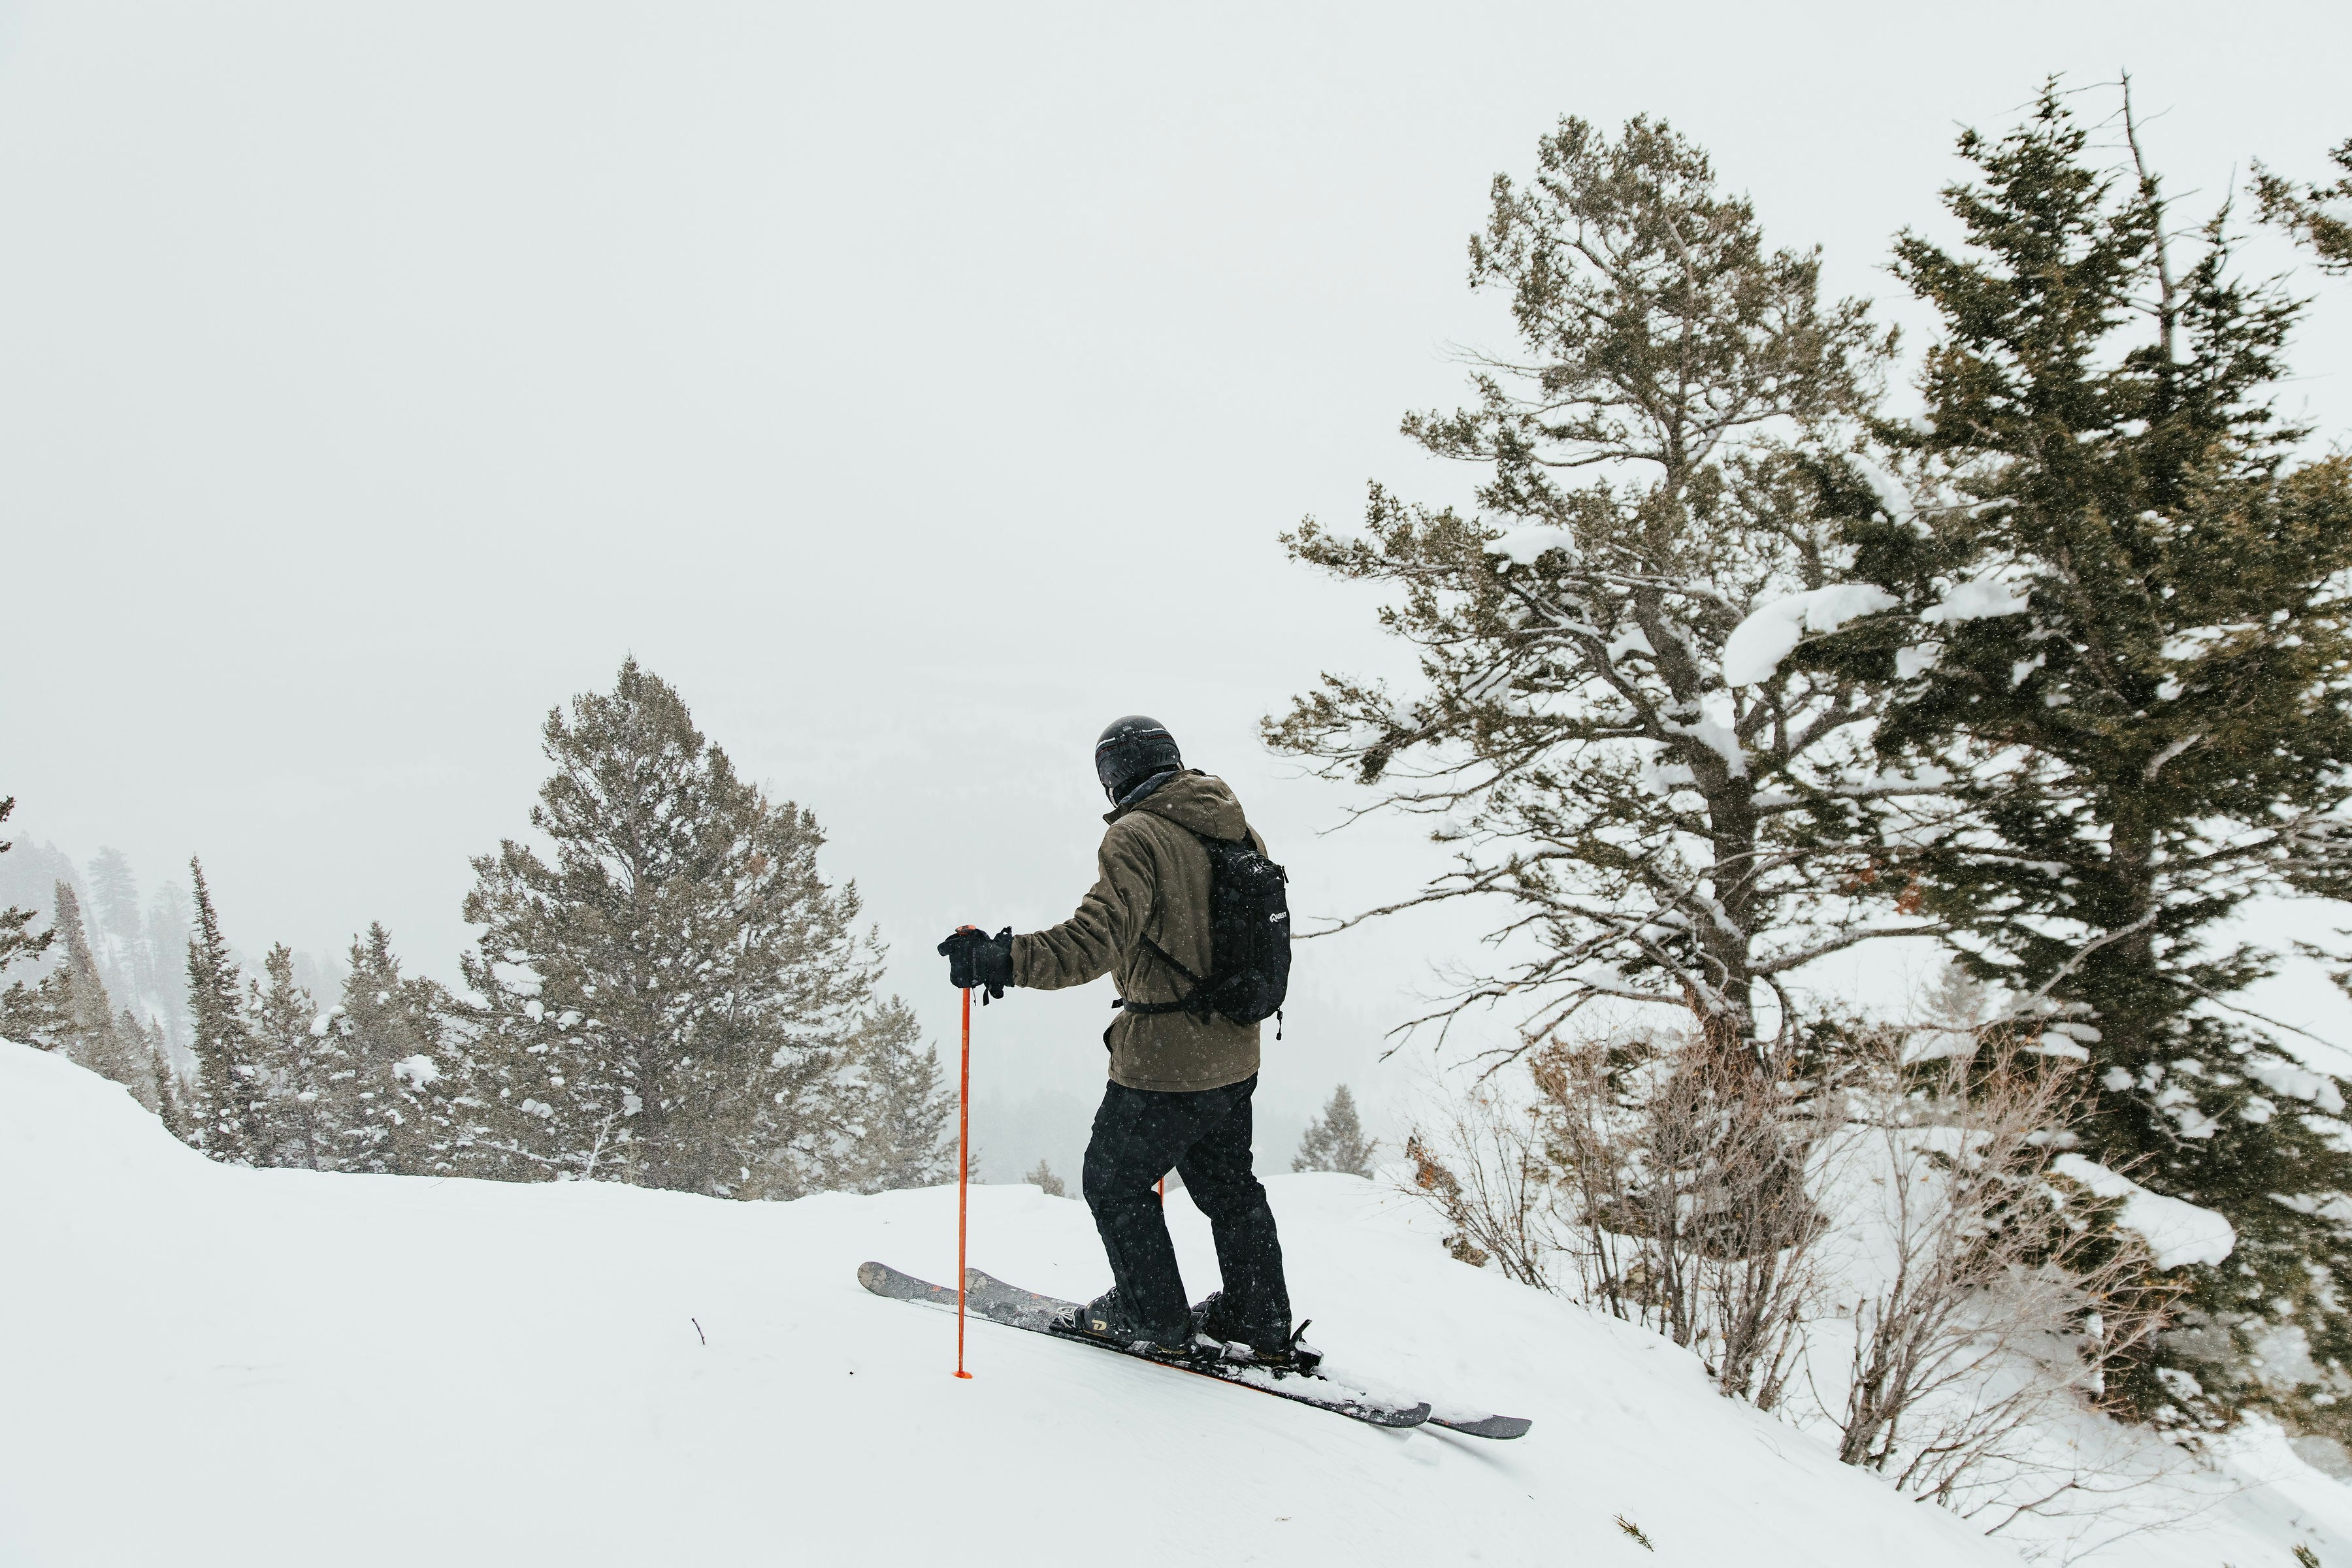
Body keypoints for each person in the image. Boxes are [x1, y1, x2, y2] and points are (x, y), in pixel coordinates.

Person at [937, 715, 1311, 1369]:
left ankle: (1151, 1313)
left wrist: (1002, 960)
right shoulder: (1228, 819)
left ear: (1113, 776)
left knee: (1112, 1182)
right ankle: (1260, 1318)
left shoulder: (1138, 835)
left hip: (1168, 1058)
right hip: (1236, 1047)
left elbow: (1092, 942)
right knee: (1229, 1188)